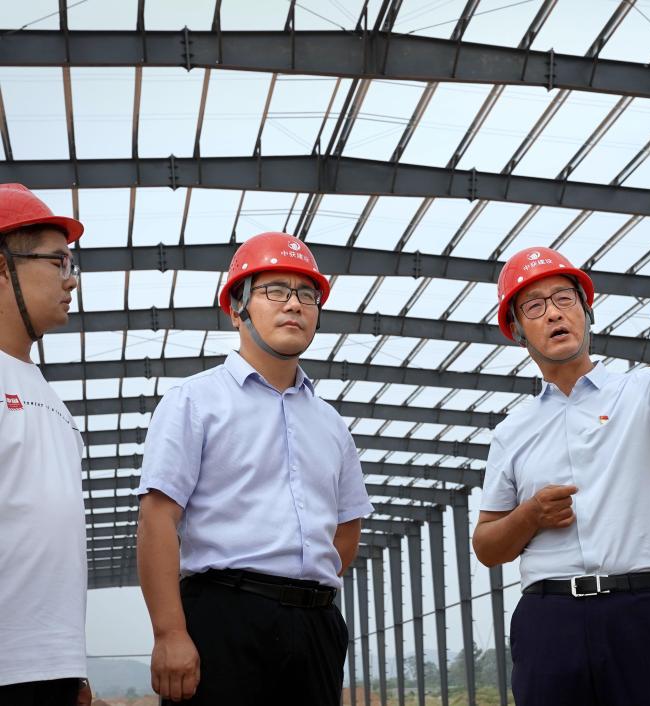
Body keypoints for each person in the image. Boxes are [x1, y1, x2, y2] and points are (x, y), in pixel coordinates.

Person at [136, 231, 373, 705]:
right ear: (236, 307)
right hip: (225, 620)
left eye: (307, 294)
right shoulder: (195, 402)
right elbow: (157, 518)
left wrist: (298, 586)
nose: (295, 304)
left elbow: (347, 528)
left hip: (316, 627)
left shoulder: (331, 424)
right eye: (275, 291)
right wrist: (170, 632)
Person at [473, 246, 650, 706]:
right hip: (549, 622)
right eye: (534, 306)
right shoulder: (511, 432)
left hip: (640, 614)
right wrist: (530, 515)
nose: (553, 313)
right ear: (517, 331)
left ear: (587, 312)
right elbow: (486, 546)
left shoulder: (640, 390)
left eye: (564, 299)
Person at [0, 184, 92, 706]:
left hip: (47, 668)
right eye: (58, 261)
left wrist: (71, 666)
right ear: (2, 266)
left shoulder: (49, 398)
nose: (70, 279)